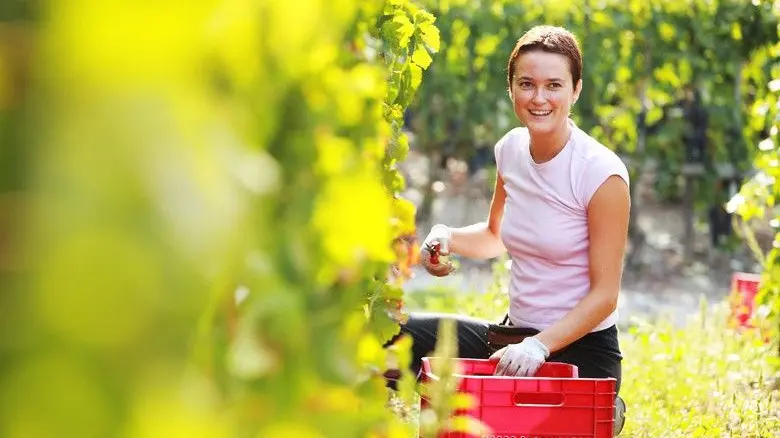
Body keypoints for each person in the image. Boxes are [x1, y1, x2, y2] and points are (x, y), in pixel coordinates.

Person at [387, 25, 629, 434]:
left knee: (514, 424)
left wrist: (539, 346)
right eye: (526, 84)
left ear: (576, 90)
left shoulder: (600, 174)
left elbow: (605, 297)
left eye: (554, 85)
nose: (539, 98)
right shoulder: (511, 149)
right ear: (511, 89)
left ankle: (602, 405)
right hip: (509, 341)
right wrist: (446, 235)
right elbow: (495, 236)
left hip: (580, 352)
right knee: (393, 338)